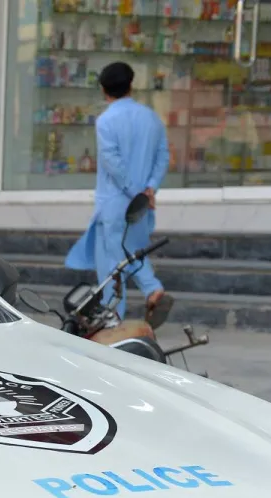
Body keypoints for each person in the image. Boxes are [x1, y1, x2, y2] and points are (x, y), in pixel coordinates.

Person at [65, 61, 173, 327]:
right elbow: (163, 157)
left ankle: (116, 316)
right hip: (142, 204)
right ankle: (148, 292)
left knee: (111, 263)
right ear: (131, 86)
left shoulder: (106, 121)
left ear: (104, 90)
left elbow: (112, 162)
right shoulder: (152, 118)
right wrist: (150, 189)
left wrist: (135, 191)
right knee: (134, 251)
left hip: (115, 203)